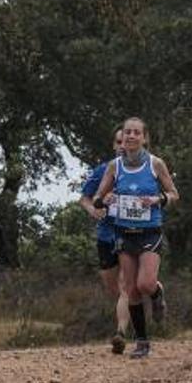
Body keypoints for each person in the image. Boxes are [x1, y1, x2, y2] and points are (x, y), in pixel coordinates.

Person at [94, 117, 179, 358]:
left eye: (136, 133)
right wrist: (105, 200)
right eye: (127, 132)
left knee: (145, 284)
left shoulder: (155, 164)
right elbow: (98, 198)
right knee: (131, 290)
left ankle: (157, 294)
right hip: (123, 233)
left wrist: (158, 199)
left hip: (149, 231)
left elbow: (174, 194)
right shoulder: (114, 166)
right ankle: (142, 342)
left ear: (145, 138)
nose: (131, 136)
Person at [78, 137, 132, 354]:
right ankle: (135, 305)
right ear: (113, 145)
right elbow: (84, 198)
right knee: (114, 289)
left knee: (125, 286)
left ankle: (120, 332)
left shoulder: (141, 171)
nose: (122, 145)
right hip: (105, 235)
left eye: (126, 141)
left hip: (130, 233)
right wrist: (94, 210)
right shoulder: (102, 170)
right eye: (118, 141)